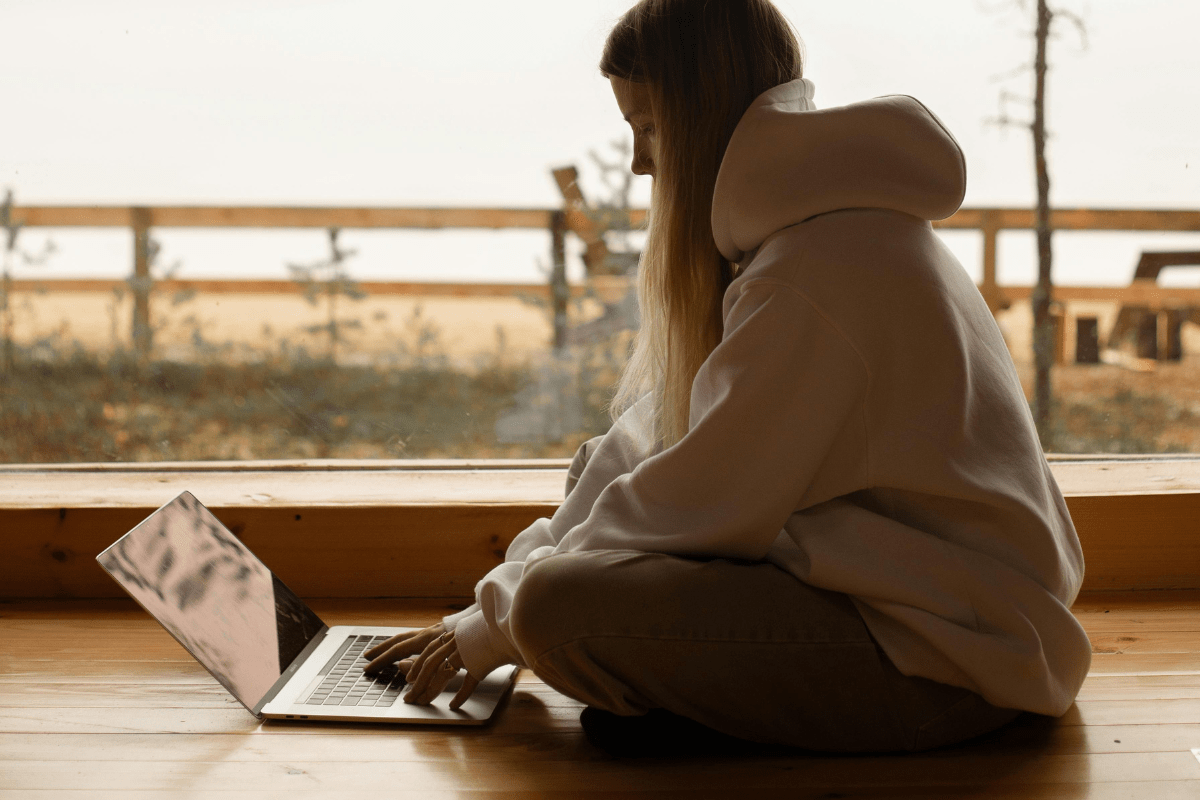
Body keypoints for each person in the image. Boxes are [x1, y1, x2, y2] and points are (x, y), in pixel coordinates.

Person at [364, 0, 1091, 756]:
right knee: (595, 474)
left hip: (949, 664)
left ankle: (698, 711)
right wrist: (488, 602)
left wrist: (500, 621)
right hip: (905, 601)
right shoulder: (804, 239)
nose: (641, 161)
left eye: (648, 127)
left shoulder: (821, 269)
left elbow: (702, 498)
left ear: (701, 113)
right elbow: (649, 442)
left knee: (556, 606)